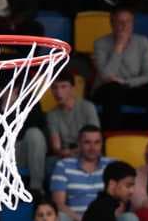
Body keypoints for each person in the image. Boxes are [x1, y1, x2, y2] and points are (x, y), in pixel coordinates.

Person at [18, 69, 99, 198]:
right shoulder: (52, 115)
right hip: (65, 154)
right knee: (51, 163)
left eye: (63, 87)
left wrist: (76, 152)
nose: (58, 92)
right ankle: (50, 198)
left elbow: (95, 139)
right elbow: (56, 147)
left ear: (72, 88)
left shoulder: (87, 107)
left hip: (87, 151)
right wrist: (64, 152)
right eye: (54, 88)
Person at [91, 7, 148, 129]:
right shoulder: (100, 44)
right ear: (112, 24)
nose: (124, 26)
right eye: (120, 22)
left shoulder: (143, 42)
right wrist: (118, 47)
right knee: (113, 89)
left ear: (133, 24)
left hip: (133, 87)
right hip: (106, 90)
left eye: (128, 21)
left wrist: (125, 82)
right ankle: (112, 136)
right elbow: (106, 76)